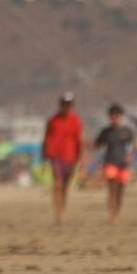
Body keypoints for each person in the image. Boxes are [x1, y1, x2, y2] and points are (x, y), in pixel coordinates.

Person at [42, 93, 84, 226]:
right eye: (64, 104)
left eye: (69, 104)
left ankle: (63, 209)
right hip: (55, 156)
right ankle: (58, 213)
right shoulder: (52, 120)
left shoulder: (76, 120)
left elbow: (80, 140)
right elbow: (45, 139)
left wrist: (81, 159)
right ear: (60, 105)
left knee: (65, 186)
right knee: (57, 185)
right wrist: (43, 158)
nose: (66, 107)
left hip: (70, 157)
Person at [93, 103, 135, 224]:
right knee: (112, 189)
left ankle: (117, 213)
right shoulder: (106, 131)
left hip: (123, 164)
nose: (114, 117)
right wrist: (83, 143)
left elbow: (134, 146)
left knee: (120, 191)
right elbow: (97, 145)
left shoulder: (127, 131)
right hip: (110, 162)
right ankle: (113, 215)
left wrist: (130, 156)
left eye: (116, 115)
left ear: (120, 116)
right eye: (112, 115)